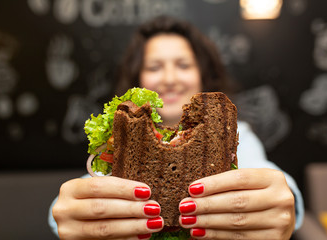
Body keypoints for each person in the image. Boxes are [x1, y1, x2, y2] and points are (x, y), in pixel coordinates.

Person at [49, 15, 304, 240]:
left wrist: (285, 202)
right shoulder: (120, 139)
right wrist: (72, 212)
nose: (170, 79)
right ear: (139, 79)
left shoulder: (237, 135)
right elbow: (86, 189)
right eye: (154, 67)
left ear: (202, 75)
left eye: (183, 65)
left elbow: (262, 171)